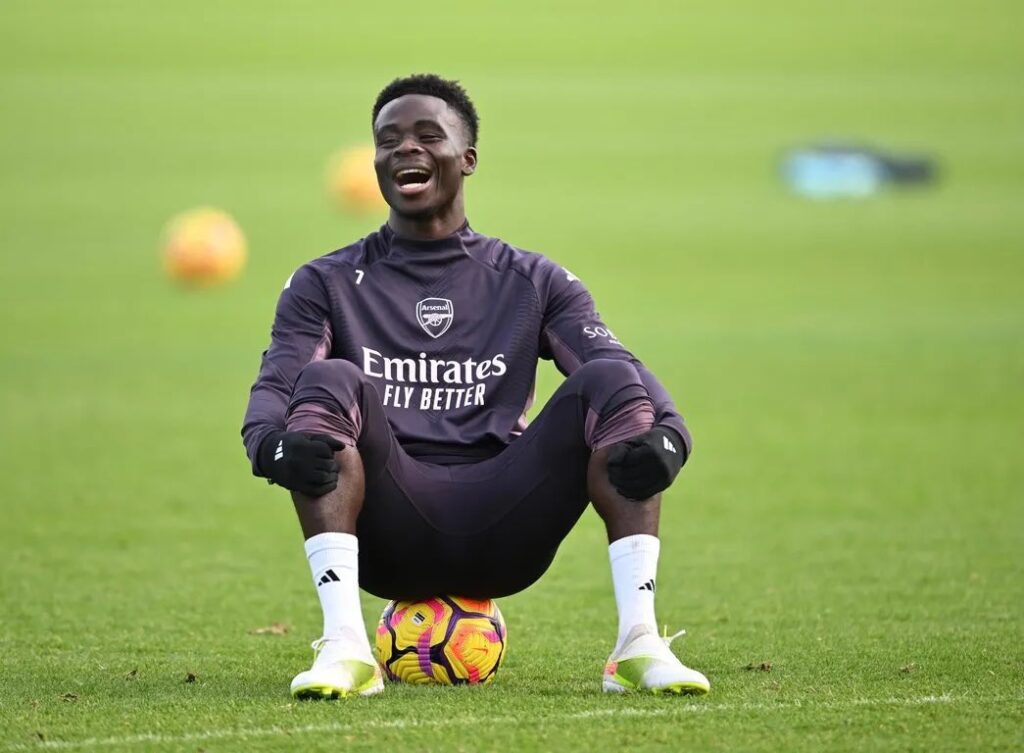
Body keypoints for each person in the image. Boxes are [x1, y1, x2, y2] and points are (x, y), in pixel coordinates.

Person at [242, 73, 710, 698]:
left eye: (427, 135)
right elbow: (273, 391)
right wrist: (272, 447)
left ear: (467, 158)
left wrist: (672, 439)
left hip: (506, 527)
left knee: (606, 379)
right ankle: (345, 647)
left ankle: (639, 644)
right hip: (386, 530)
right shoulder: (323, 282)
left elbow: (624, 372)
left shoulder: (533, 279)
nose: (405, 148)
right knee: (329, 378)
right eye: (388, 140)